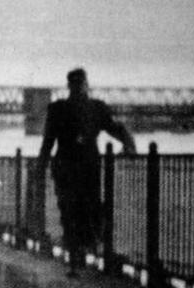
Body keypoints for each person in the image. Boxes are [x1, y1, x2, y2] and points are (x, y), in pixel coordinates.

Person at [35, 68, 136, 276]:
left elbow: (48, 142)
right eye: (78, 84)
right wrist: (129, 144)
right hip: (87, 167)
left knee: (71, 213)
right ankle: (81, 253)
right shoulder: (95, 108)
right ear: (85, 85)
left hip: (67, 168)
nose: (78, 88)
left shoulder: (59, 109)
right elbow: (115, 128)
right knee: (85, 211)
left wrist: (40, 168)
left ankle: (77, 256)